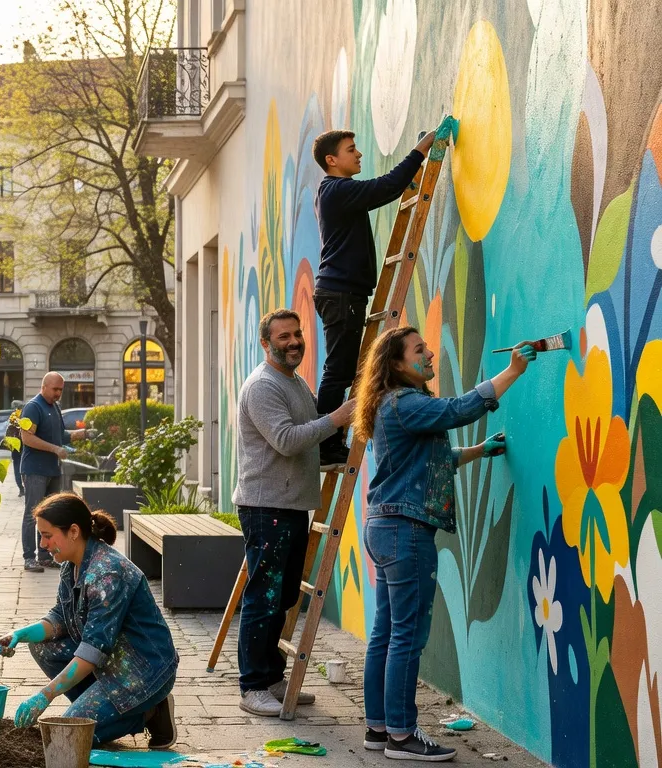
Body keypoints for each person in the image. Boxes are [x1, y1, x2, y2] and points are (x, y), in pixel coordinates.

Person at [353, 328, 533, 761]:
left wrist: (480, 451)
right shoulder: (407, 402)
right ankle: (402, 735)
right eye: (419, 350)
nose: (429, 353)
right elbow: (459, 409)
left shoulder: (390, 406)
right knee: (407, 638)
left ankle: (378, 729)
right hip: (406, 532)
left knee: (386, 633)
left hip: (385, 527)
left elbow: (434, 461)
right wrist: (513, 371)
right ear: (396, 364)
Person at [233, 309, 354, 717]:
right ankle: (252, 687)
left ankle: (271, 678)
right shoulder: (264, 386)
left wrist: (329, 436)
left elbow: (305, 437)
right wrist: (336, 419)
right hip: (266, 507)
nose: (293, 342)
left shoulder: (294, 381)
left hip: (289, 505)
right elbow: (286, 441)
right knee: (264, 597)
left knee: (282, 596)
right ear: (266, 344)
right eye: (283, 337)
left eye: (297, 334)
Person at [0, 493, 178, 749]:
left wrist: (44, 695)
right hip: (113, 659)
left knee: (68, 737)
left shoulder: (107, 574)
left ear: (73, 531)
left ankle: (150, 712)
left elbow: (93, 651)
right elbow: (60, 617)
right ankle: (103, 709)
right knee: (42, 645)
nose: (43, 543)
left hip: (145, 669)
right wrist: (20, 634)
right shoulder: (72, 563)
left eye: (47, 535)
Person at [312, 127, 435, 465]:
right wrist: (419, 151)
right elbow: (386, 188)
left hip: (342, 293)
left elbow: (386, 188)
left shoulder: (335, 191)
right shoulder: (336, 190)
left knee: (342, 370)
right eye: (352, 150)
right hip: (340, 294)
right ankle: (325, 445)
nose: (359, 154)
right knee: (338, 372)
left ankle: (327, 442)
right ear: (332, 160)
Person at [19, 373, 95, 572]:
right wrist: (54, 449)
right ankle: (29, 557)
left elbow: (61, 436)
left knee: (49, 516)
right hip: (35, 470)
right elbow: (27, 437)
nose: (58, 394)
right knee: (32, 515)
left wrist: (84, 434)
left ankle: (44, 555)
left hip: (52, 469)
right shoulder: (33, 407)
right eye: (55, 389)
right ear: (44, 387)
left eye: (61, 390)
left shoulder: (55, 407)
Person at [6, 399, 25, 496]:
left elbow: (7, 436)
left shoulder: (12, 420)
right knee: (24, 469)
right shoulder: (25, 417)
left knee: (17, 469)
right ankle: (24, 488)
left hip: (15, 448)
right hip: (24, 447)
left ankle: (21, 489)